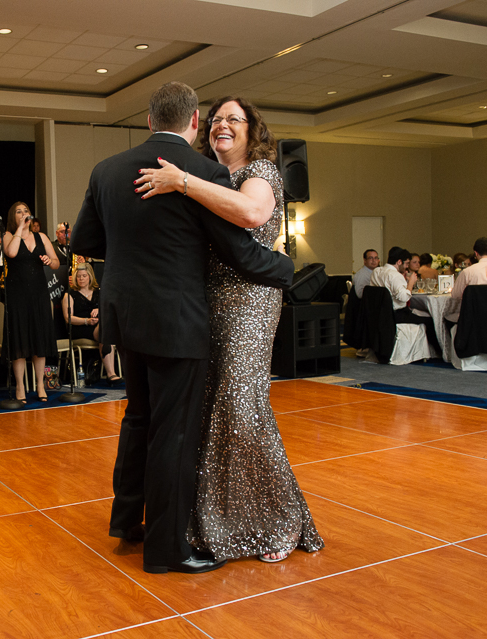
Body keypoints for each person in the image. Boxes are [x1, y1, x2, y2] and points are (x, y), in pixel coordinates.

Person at [72, 82, 293, 575]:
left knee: (138, 418)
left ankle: (127, 520)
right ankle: (168, 549)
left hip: (126, 317)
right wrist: (285, 271)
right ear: (194, 122)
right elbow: (236, 250)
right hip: (177, 320)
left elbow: (85, 238)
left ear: (149, 121)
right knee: (172, 433)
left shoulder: (106, 170)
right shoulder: (205, 173)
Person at [135, 94, 321, 565]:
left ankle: (273, 520)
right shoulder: (207, 175)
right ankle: (214, 520)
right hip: (207, 301)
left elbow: (251, 214)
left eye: (234, 120)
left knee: (241, 405)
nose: (223, 126)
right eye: (216, 120)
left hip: (251, 302)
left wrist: (182, 180)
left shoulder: (260, 173)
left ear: (251, 128)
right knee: (211, 411)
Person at [3, 201, 59, 403]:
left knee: (39, 339)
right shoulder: (9, 236)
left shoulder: (41, 237)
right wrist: (20, 228)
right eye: (19, 211)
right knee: (20, 341)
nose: (24, 213)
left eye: (26, 211)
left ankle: (40, 385)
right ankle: (20, 387)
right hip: (17, 295)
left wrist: (48, 261)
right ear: (13, 217)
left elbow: (56, 263)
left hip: (39, 294)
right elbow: (11, 253)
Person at [370, 246, 442, 354]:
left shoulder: (376, 272)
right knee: (430, 320)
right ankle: (438, 352)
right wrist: (411, 283)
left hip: (379, 314)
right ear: (399, 262)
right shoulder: (395, 275)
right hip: (396, 314)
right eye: (406, 263)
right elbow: (403, 298)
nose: (407, 267)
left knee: (420, 314)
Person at [61, 262, 120, 383]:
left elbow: (111, 310)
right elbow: (68, 318)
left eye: (84, 276)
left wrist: (100, 310)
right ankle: (111, 374)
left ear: (90, 277)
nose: (81, 279)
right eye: (78, 276)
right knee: (106, 331)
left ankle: (111, 372)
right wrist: (86, 321)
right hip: (80, 328)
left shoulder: (99, 292)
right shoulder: (70, 294)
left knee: (105, 327)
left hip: (99, 326)